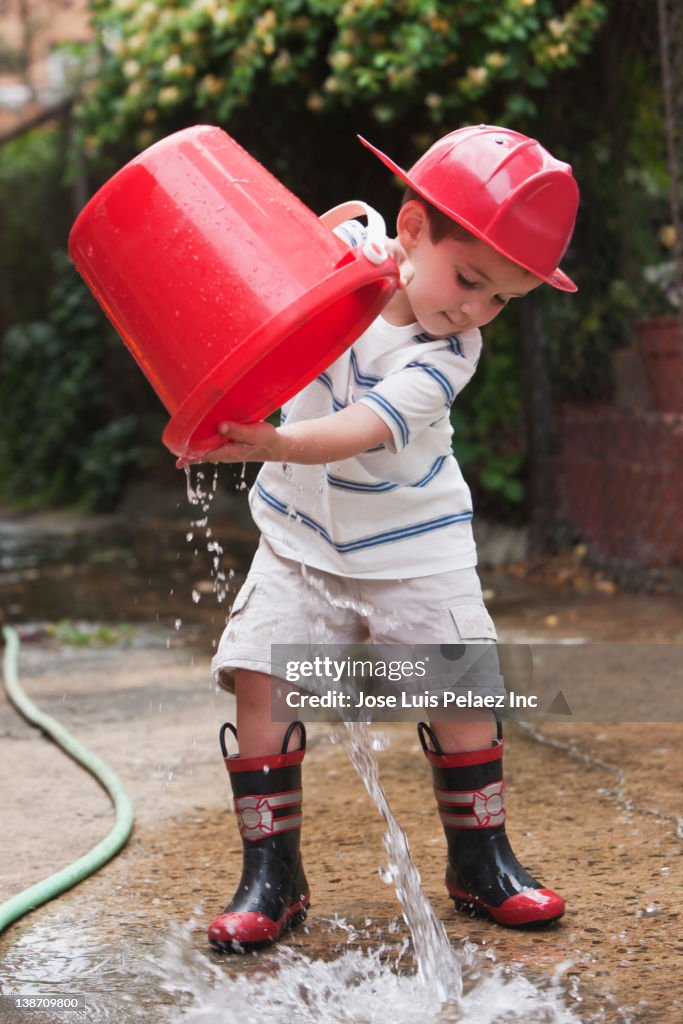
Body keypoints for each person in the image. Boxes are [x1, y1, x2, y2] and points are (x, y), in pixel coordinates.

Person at [193, 125, 579, 951]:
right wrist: (339, 247)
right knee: (262, 680)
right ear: (409, 231)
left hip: (415, 544)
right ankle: (272, 874)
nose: (475, 309)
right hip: (300, 537)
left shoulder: (448, 354)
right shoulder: (358, 247)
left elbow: (363, 425)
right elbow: (281, 249)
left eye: (501, 300)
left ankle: (482, 860)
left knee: (463, 692)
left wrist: (276, 444)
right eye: (469, 279)